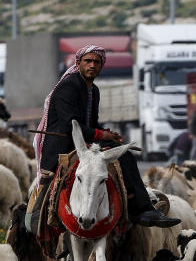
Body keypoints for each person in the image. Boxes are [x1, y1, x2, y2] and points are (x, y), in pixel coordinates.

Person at [34, 45, 179, 228]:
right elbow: (73, 124)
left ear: (102, 66)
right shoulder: (68, 87)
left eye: (96, 62)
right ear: (78, 63)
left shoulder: (93, 90)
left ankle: (141, 208)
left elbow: (92, 124)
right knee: (120, 158)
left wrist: (109, 136)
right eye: (88, 61)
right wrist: (101, 134)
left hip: (84, 143)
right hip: (63, 144)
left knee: (124, 155)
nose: (92, 65)